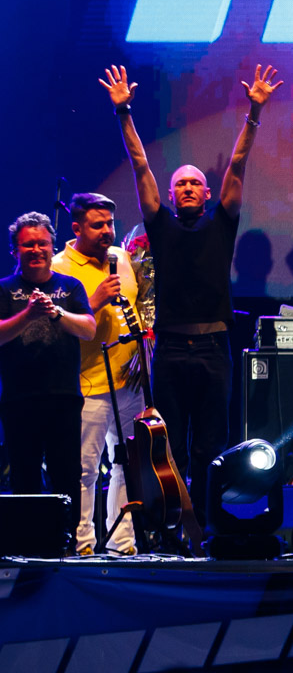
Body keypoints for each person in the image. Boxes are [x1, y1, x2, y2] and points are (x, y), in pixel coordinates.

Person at [100, 63, 281, 529]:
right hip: (172, 348)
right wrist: (124, 113)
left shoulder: (222, 222)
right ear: (171, 192)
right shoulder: (159, 225)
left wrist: (255, 113)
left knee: (210, 447)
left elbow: (237, 165)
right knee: (170, 448)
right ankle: (173, 529)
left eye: (194, 182)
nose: (185, 187)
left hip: (214, 347)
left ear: (206, 192)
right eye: (179, 182)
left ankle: (207, 527)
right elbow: (141, 164)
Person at [51, 193, 146, 555]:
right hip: (88, 382)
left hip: (130, 383)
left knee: (129, 464)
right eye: (97, 225)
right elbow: (54, 326)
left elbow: (137, 306)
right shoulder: (59, 266)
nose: (107, 231)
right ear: (76, 228)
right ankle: (82, 543)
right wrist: (95, 299)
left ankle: (122, 541)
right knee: (85, 469)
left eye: (110, 223)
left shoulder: (121, 258)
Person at [0, 212, 96, 551]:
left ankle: (66, 545)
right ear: (15, 249)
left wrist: (56, 312)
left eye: (42, 243)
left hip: (63, 397)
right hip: (19, 398)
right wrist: (29, 314)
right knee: (24, 475)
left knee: (67, 474)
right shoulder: (4, 288)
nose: (36, 250)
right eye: (28, 244)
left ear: (52, 246)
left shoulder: (70, 286)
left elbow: (89, 329)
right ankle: (27, 546)